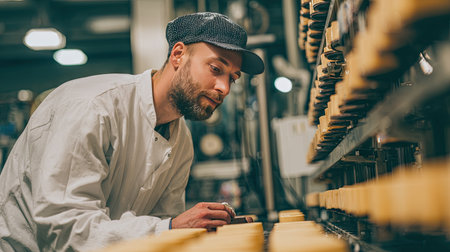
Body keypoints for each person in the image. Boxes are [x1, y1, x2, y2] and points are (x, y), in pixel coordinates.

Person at [0, 12, 264, 251]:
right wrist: (171, 228)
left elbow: (161, 223)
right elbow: (66, 230)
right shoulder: (93, 107)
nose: (224, 88)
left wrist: (196, 229)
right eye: (216, 69)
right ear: (178, 55)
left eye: (233, 77)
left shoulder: (180, 139)